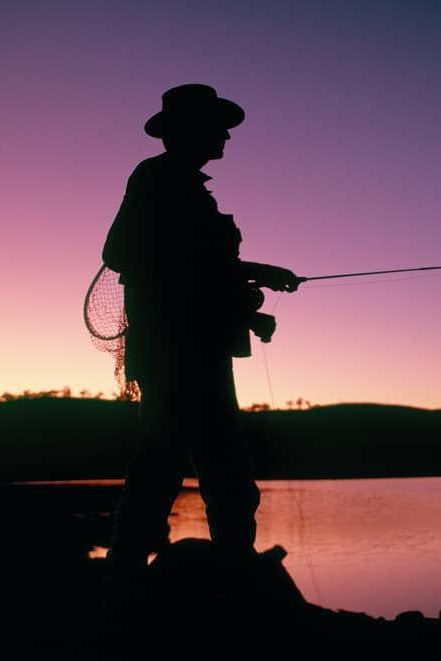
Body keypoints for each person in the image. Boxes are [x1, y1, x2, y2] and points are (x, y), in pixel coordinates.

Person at [100, 83, 300, 602]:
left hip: (197, 350)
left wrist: (246, 309)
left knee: (198, 473)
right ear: (187, 131)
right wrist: (252, 272)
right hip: (179, 355)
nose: (226, 137)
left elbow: (197, 273)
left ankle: (151, 582)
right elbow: (124, 253)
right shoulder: (157, 178)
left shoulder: (185, 187)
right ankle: (220, 593)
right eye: (217, 127)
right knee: (199, 473)